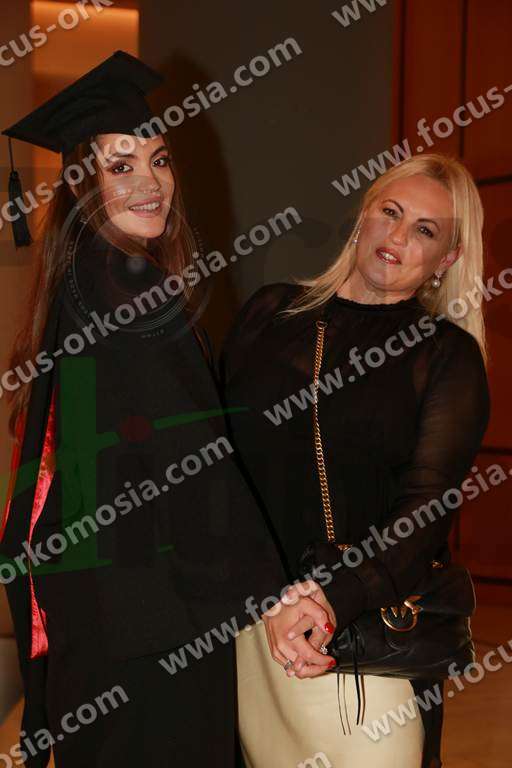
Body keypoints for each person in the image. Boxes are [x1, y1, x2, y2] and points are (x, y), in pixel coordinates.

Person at [0, 51, 305, 768]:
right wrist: (275, 594)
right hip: (152, 616)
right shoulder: (128, 282)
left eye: (159, 159)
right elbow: (191, 456)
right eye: (121, 165)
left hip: (96, 605)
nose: (150, 181)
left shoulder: (77, 276)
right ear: (83, 184)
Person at [221, 153, 490, 768]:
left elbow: (425, 512)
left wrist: (328, 600)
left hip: (361, 638)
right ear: (363, 216)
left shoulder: (445, 357)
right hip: (249, 626)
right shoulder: (270, 313)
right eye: (389, 212)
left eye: (425, 229)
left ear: (446, 258)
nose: (398, 236)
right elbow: (218, 464)